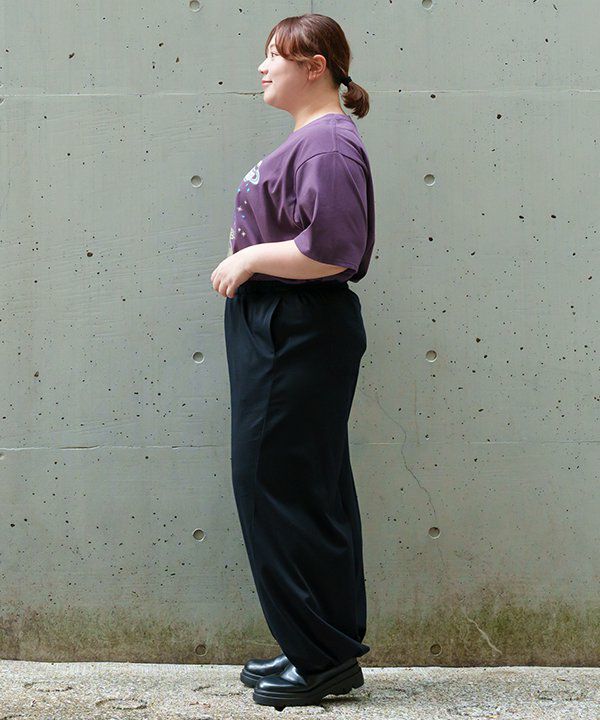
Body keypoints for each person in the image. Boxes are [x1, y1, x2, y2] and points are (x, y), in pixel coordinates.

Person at [210, 12, 375, 710]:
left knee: (274, 484)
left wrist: (250, 257)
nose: (261, 67)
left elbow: (334, 248)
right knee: (304, 485)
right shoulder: (315, 140)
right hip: (290, 327)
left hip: (295, 328)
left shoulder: (327, 144)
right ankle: (320, 646)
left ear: (314, 66)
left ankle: (318, 659)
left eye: (274, 56)